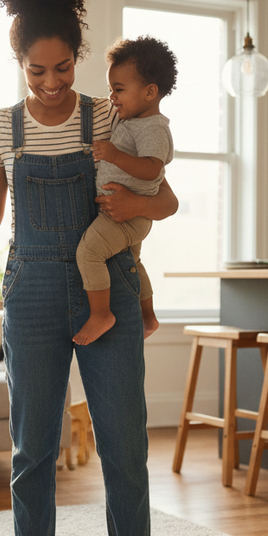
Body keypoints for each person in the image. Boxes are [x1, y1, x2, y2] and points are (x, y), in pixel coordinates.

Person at [0, 0, 177, 536]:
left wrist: (134, 202)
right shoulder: (0, 128)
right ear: (19, 62)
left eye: (63, 68)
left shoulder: (107, 117)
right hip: (34, 290)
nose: (50, 83)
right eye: (37, 71)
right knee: (32, 445)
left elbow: (165, 200)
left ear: (79, 58)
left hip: (111, 287)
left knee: (124, 442)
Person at [73, 35, 177, 346]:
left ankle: (101, 314)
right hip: (124, 215)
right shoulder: (132, 120)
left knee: (89, 253)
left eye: (119, 89)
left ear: (150, 92)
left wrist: (114, 155)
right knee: (133, 263)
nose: (112, 97)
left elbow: (152, 169)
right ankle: (148, 315)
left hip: (126, 215)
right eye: (110, 89)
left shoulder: (153, 127)